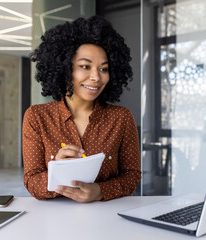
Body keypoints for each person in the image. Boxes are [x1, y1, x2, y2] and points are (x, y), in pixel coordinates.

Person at [22, 16, 141, 202]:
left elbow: (132, 176)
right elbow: (31, 181)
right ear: (65, 69)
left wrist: (100, 191)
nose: (96, 77)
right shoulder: (37, 117)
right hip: (53, 220)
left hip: (108, 219)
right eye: (85, 66)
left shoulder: (121, 118)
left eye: (103, 69)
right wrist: (57, 173)